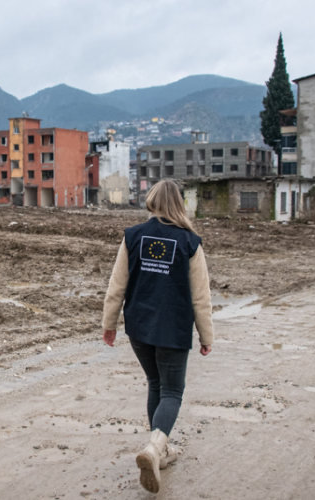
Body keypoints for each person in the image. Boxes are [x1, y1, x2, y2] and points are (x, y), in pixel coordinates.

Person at [102, 179, 214, 493]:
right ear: (179, 205)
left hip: (139, 327)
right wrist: (207, 335)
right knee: (172, 392)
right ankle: (154, 448)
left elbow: (117, 287)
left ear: (152, 202)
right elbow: (200, 298)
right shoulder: (190, 242)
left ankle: (160, 451)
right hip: (173, 329)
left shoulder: (133, 236)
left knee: (156, 384)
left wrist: (109, 324)